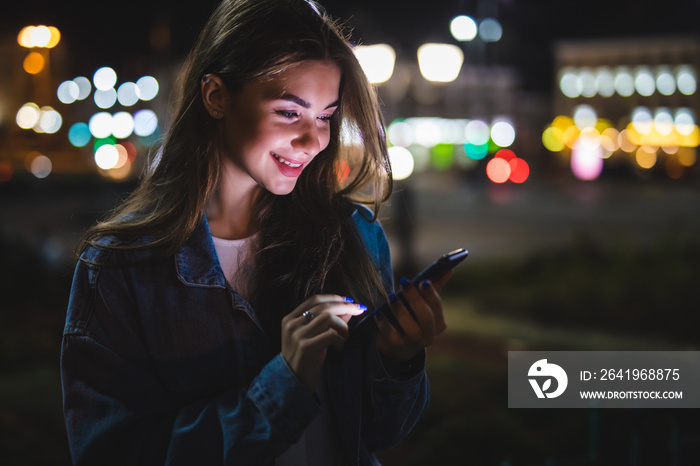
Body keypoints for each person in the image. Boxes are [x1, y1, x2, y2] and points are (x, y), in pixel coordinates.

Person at [60, 0, 452, 464]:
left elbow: (381, 431)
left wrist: (398, 358)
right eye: (289, 112)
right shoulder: (123, 265)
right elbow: (113, 453)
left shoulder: (352, 236)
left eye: (326, 117)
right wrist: (284, 382)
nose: (313, 141)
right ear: (216, 97)